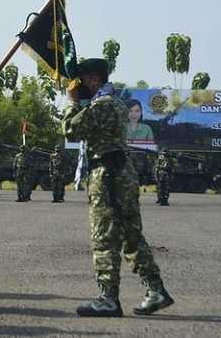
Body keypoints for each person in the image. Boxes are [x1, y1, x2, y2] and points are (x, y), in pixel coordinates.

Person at [63, 58, 173, 317]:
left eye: (82, 80)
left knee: (104, 237)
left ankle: (108, 298)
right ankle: (156, 290)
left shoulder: (103, 105)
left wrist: (71, 102)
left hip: (109, 176)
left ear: (93, 79)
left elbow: (70, 130)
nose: (79, 86)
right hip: (119, 172)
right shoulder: (114, 102)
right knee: (129, 236)